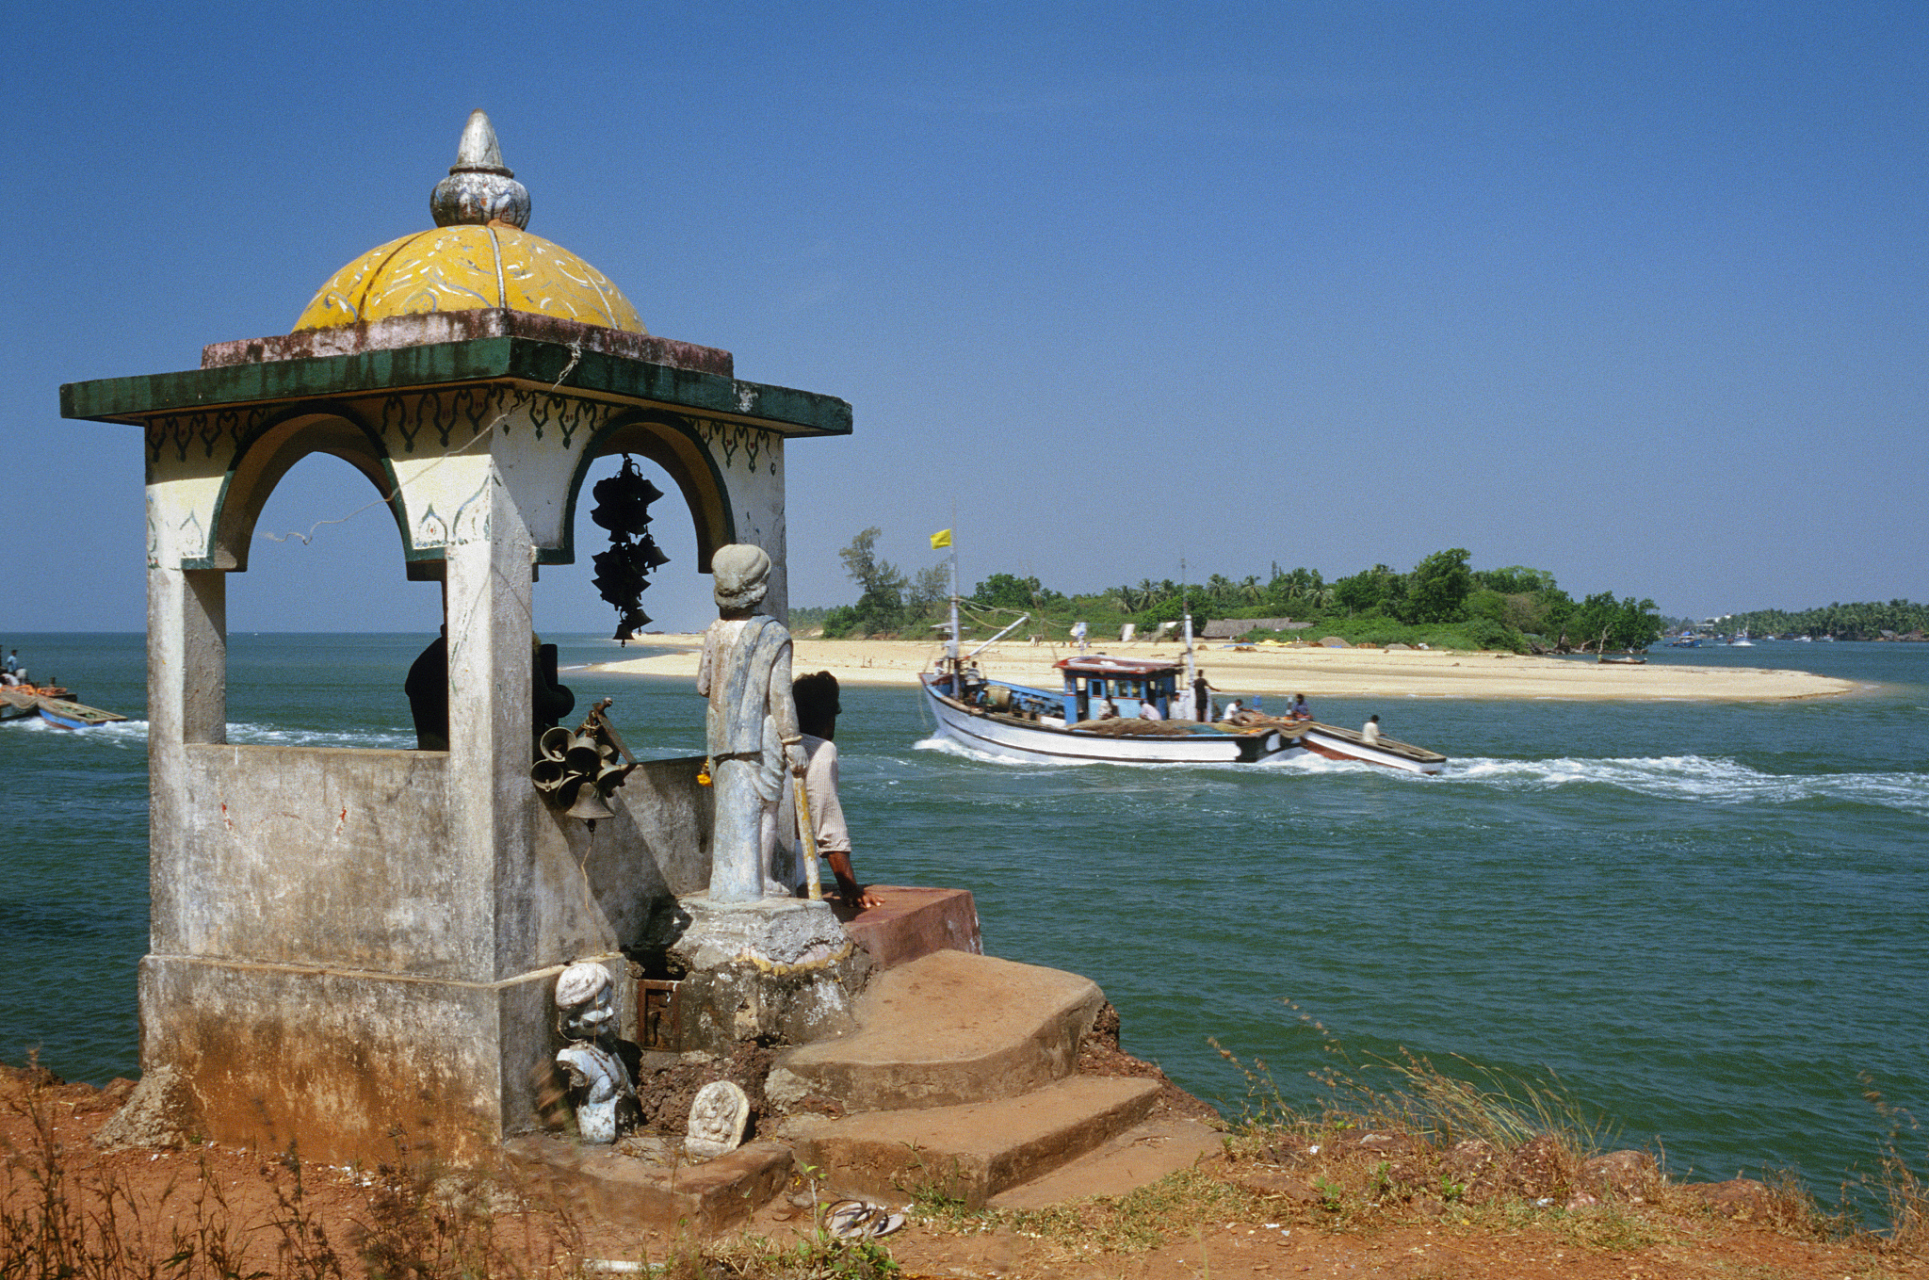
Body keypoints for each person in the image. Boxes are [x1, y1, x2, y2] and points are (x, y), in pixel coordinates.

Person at [697, 544, 808, 903]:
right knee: (766, 808)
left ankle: (732, 883)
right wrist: (793, 741)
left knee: (730, 809)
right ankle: (760, 879)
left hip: (721, 735)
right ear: (760, 586)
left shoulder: (714, 630)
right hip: (761, 736)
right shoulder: (773, 634)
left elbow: (703, 686)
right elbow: (780, 698)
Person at [784, 670, 883, 908]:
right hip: (787, 866)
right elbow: (827, 822)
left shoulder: (773, 744)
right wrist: (850, 888)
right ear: (829, 720)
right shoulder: (820, 749)